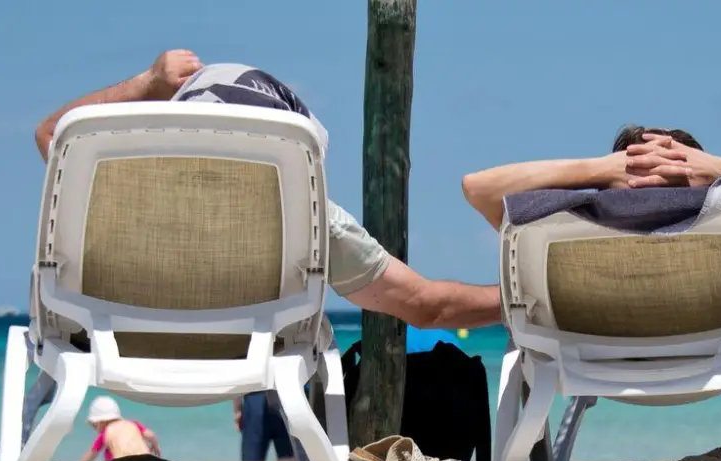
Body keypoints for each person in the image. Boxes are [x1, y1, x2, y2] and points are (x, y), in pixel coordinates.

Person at [34, 50, 502, 331]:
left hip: (122, 356)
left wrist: (148, 84)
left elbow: (53, 131)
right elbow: (425, 306)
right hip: (249, 365)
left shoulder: (126, 192)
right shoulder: (313, 219)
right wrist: (527, 301)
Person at [460, 125, 721, 242]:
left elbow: (479, 189)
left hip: (590, 352)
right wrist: (718, 169)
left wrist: (597, 171)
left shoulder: (562, 228)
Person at [79, 396, 160, 461]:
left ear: (100, 422)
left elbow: (92, 454)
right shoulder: (133, 424)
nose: (96, 429)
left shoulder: (105, 433)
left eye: (94, 425)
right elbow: (150, 434)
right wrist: (155, 447)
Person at [233, 391, 294, 461]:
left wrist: (237, 409)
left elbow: (239, 381)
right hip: (283, 395)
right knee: (288, 459)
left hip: (255, 397)